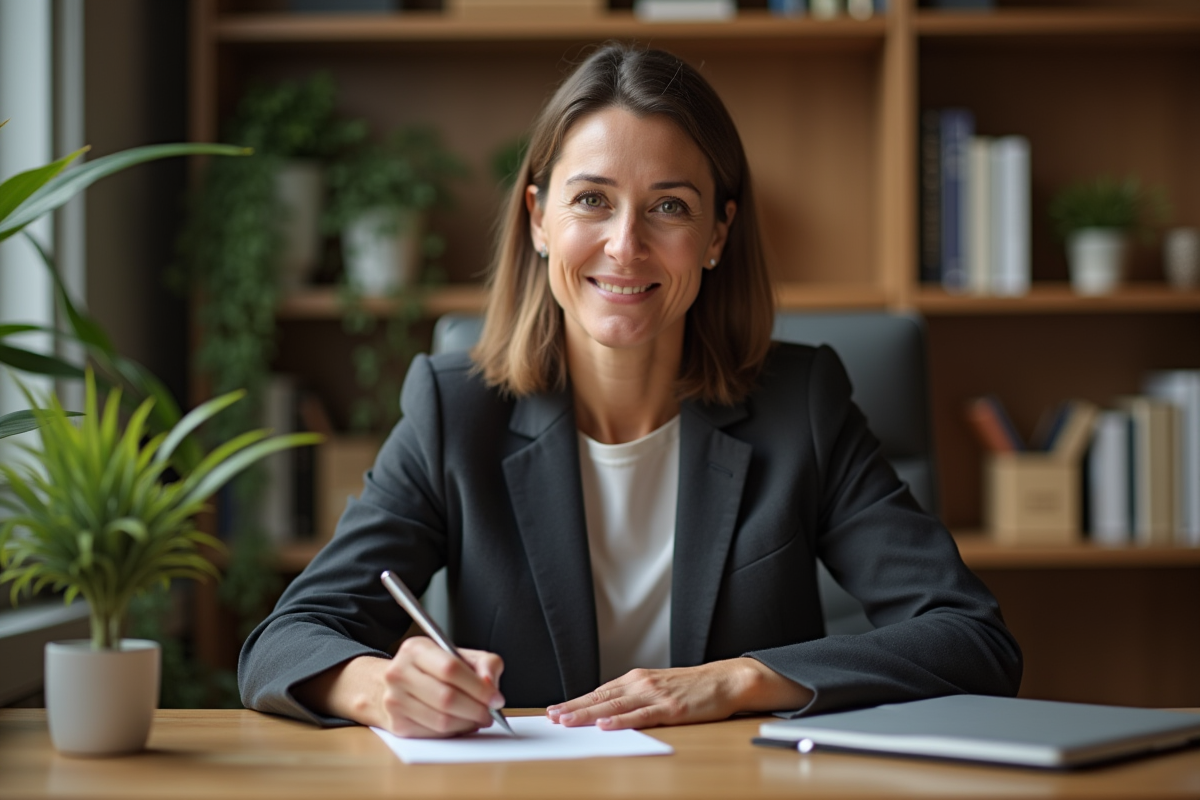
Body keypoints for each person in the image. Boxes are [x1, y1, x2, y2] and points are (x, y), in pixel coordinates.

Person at [238, 43, 1022, 739]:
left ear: (717, 233)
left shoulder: (800, 405)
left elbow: (971, 637)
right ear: (539, 218)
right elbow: (289, 638)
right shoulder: (457, 411)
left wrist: (741, 678)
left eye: (670, 207)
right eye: (591, 200)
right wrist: (380, 687)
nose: (625, 245)